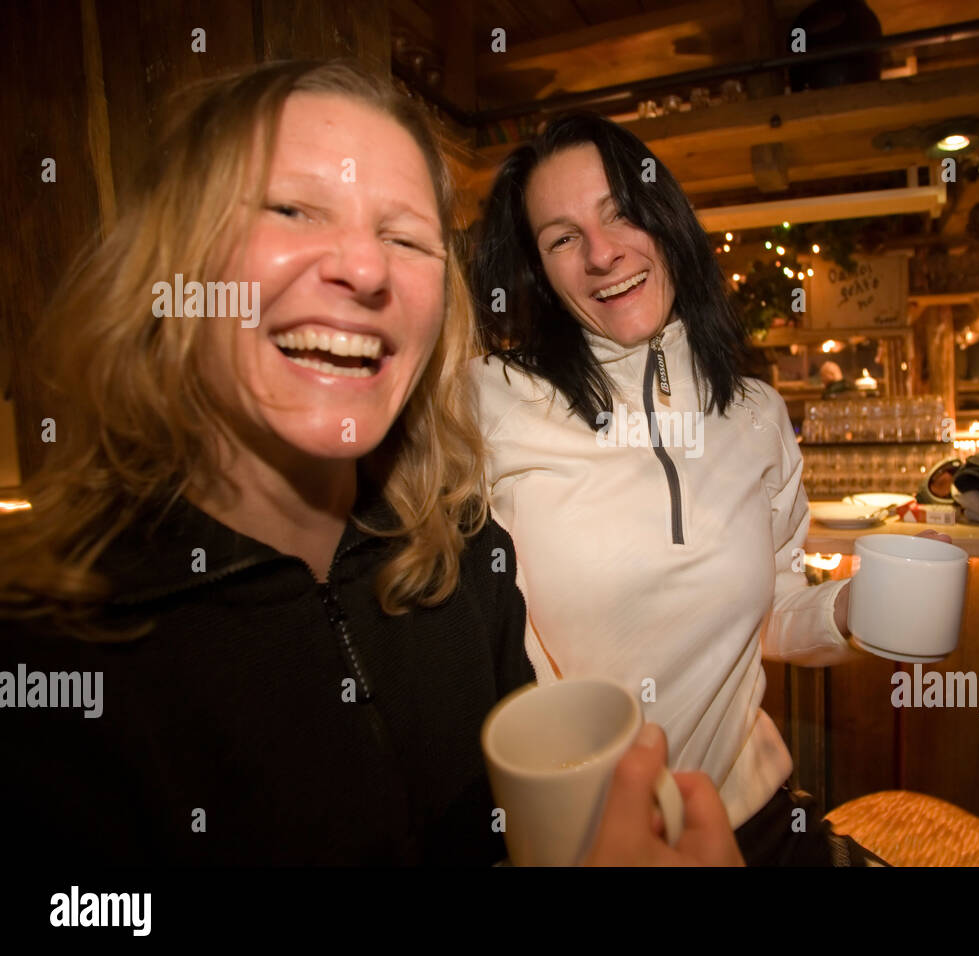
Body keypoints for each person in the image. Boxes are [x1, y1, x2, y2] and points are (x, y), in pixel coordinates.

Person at [0, 61, 740, 867]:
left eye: (404, 236)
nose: (364, 267)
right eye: (290, 209)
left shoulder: (466, 557)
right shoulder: (46, 658)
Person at [472, 112, 925, 865]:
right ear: (539, 273)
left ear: (665, 218)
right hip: (583, 844)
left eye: (619, 212)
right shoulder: (488, 400)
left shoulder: (755, 412)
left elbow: (770, 611)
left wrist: (851, 606)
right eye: (561, 238)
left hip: (754, 823)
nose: (601, 253)